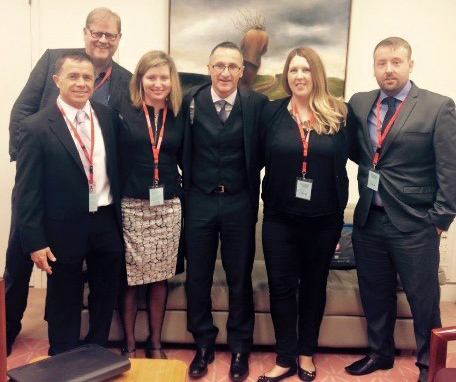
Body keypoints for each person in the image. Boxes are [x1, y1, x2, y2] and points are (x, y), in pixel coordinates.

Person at [4, 7, 131, 356]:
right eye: (97, 33)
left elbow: (122, 153)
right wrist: (37, 162)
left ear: (118, 40)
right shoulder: (41, 108)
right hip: (57, 212)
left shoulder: (109, 109)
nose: (81, 83)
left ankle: (97, 352)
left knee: (106, 288)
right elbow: (20, 113)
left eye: (111, 35)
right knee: (55, 287)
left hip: (104, 217)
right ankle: (57, 353)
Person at [345, 37, 456, 382]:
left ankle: (429, 365)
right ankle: (380, 354)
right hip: (369, 220)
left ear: (410, 64)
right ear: (374, 66)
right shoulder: (361, 103)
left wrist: (438, 221)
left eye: (396, 61)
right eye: (381, 63)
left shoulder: (438, 107)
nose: (388, 69)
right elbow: (357, 151)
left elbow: (450, 170)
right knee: (375, 295)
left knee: (424, 303)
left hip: (415, 224)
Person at [256, 47, 357, 382]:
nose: (299, 76)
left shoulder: (340, 114)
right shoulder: (271, 114)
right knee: (281, 287)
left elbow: (366, 156)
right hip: (279, 218)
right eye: (293, 70)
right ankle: (284, 357)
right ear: (286, 75)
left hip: (324, 220)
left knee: (314, 286)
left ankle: (306, 354)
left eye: (305, 70)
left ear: (317, 73)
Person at [182, 41, 268, 381]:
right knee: (197, 276)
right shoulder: (190, 101)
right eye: (219, 65)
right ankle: (202, 344)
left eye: (233, 66)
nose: (226, 72)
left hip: (240, 201)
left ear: (242, 71)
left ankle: (239, 348)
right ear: (209, 67)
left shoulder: (257, 104)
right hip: (200, 200)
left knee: (239, 277)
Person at [114, 50, 184, 359]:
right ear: (140, 79)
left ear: (172, 81)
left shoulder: (180, 114)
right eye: (151, 76)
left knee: (159, 277)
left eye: (163, 77)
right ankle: (129, 343)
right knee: (129, 277)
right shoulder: (122, 110)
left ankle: (155, 343)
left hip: (168, 206)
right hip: (131, 204)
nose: (158, 83)